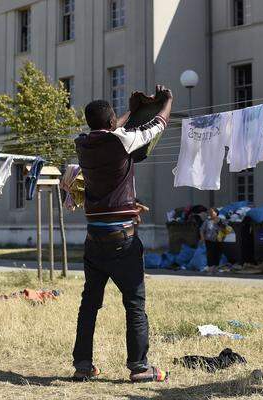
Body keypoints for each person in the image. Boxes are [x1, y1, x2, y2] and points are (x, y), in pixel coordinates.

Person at [72, 85, 173, 383]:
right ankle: (140, 367)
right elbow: (157, 125)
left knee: (89, 304)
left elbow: (114, 129)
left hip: (94, 241)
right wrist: (167, 102)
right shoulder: (121, 142)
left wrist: (129, 110)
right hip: (123, 240)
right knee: (134, 304)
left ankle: (82, 365)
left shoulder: (82, 144)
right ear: (112, 121)